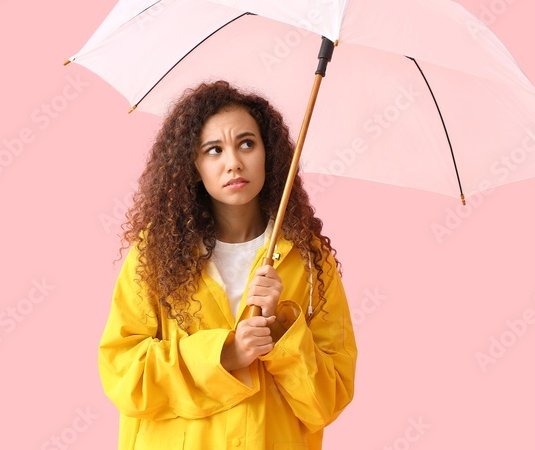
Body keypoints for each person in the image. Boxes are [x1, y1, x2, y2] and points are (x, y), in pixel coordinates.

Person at [98, 80, 357, 449]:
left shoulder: (311, 260)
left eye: (247, 144)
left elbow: (327, 401)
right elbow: (124, 376)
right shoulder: (155, 254)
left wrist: (282, 331)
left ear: (270, 153)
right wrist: (225, 354)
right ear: (193, 165)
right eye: (214, 150)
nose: (234, 162)